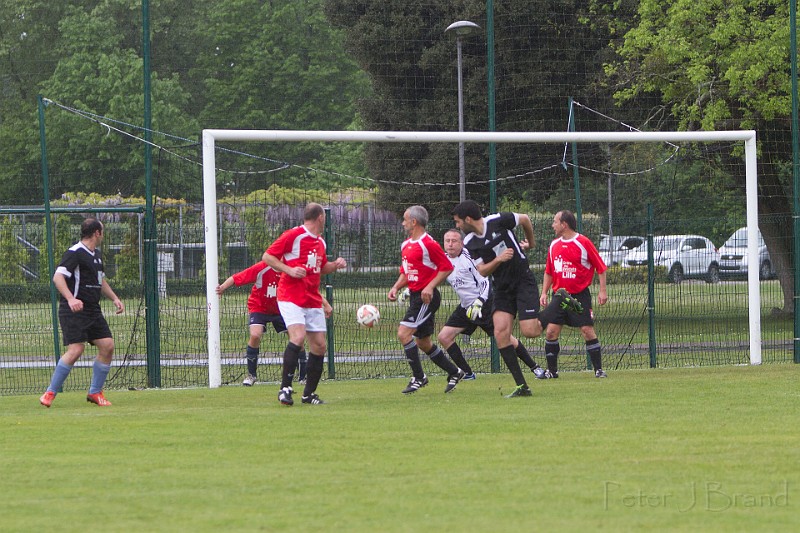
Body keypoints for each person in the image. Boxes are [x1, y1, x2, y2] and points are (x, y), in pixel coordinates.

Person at [452, 200, 582, 398]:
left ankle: (559, 299)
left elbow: (525, 219)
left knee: (531, 331)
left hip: (522, 280)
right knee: (500, 333)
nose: (457, 226)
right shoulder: (470, 242)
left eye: (458, 222)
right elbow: (482, 271)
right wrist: (498, 259)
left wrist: (531, 242)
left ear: (468, 219)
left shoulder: (498, 220)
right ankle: (522, 386)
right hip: (502, 288)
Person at [263, 203, 346, 406]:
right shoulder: (294, 235)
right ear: (320, 218)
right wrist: (289, 270)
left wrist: (335, 265)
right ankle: (285, 389)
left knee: (319, 345)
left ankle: (308, 394)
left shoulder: (321, 243)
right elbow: (267, 257)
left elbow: (321, 267)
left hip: (312, 299)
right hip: (290, 296)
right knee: (298, 337)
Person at [437, 228, 545, 380]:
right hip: (466, 307)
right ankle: (467, 373)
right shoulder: (443, 259)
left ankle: (535, 368)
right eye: (447, 241)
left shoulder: (470, 258)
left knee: (506, 338)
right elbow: (431, 275)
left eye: (454, 241)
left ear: (461, 243)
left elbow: (485, 281)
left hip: (484, 304)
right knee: (444, 337)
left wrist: (480, 301)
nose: (450, 244)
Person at [39, 218, 124, 408]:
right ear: (97, 233)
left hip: (92, 310)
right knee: (76, 349)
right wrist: (70, 299)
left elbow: (100, 281)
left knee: (107, 345)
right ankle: (50, 392)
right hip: (74, 311)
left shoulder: (97, 255)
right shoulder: (75, 253)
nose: (103, 234)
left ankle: (95, 392)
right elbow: (57, 277)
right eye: (102, 231)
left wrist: (115, 298)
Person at [387, 206, 465, 394]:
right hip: (415, 295)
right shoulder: (406, 245)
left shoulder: (428, 243)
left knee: (403, 334)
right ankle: (454, 372)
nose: (403, 223)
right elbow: (407, 272)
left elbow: (446, 267)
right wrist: (396, 287)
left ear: (414, 222)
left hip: (426, 297)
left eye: (405, 219)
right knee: (423, 342)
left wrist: (430, 286)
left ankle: (419, 377)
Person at [216, 262, 334, 386]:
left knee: (297, 338)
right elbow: (236, 277)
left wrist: (325, 304)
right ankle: (251, 375)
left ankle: (303, 376)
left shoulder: (291, 271)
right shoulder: (261, 268)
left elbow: (309, 289)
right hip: (259, 308)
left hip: (281, 309)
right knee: (255, 335)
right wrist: (222, 287)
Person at [540, 210, 609, 378]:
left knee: (587, 330)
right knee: (551, 332)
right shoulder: (554, 245)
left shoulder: (583, 242)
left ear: (564, 224)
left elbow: (600, 267)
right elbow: (549, 271)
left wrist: (602, 290)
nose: (553, 225)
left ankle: (598, 370)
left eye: (555, 221)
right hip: (559, 297)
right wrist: (544, 293)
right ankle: (552, 372)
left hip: (578, 296)